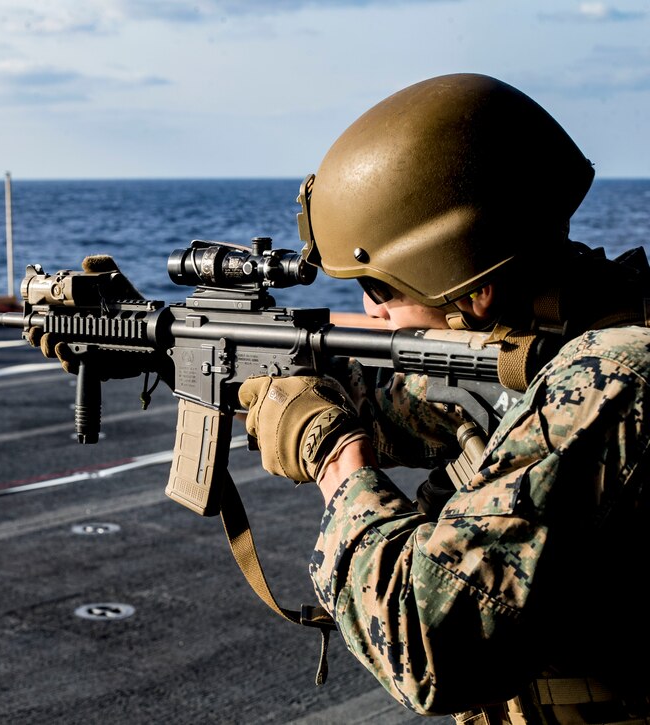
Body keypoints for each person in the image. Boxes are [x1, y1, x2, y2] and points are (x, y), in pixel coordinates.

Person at [236, 74, 650, 723]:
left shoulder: (613, 379)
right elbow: (435, 401)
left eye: (376, 287)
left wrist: (335, 456)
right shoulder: (571, 332)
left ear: (473, 289)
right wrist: (266, 375)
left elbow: (432, 645)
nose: (366, 308)